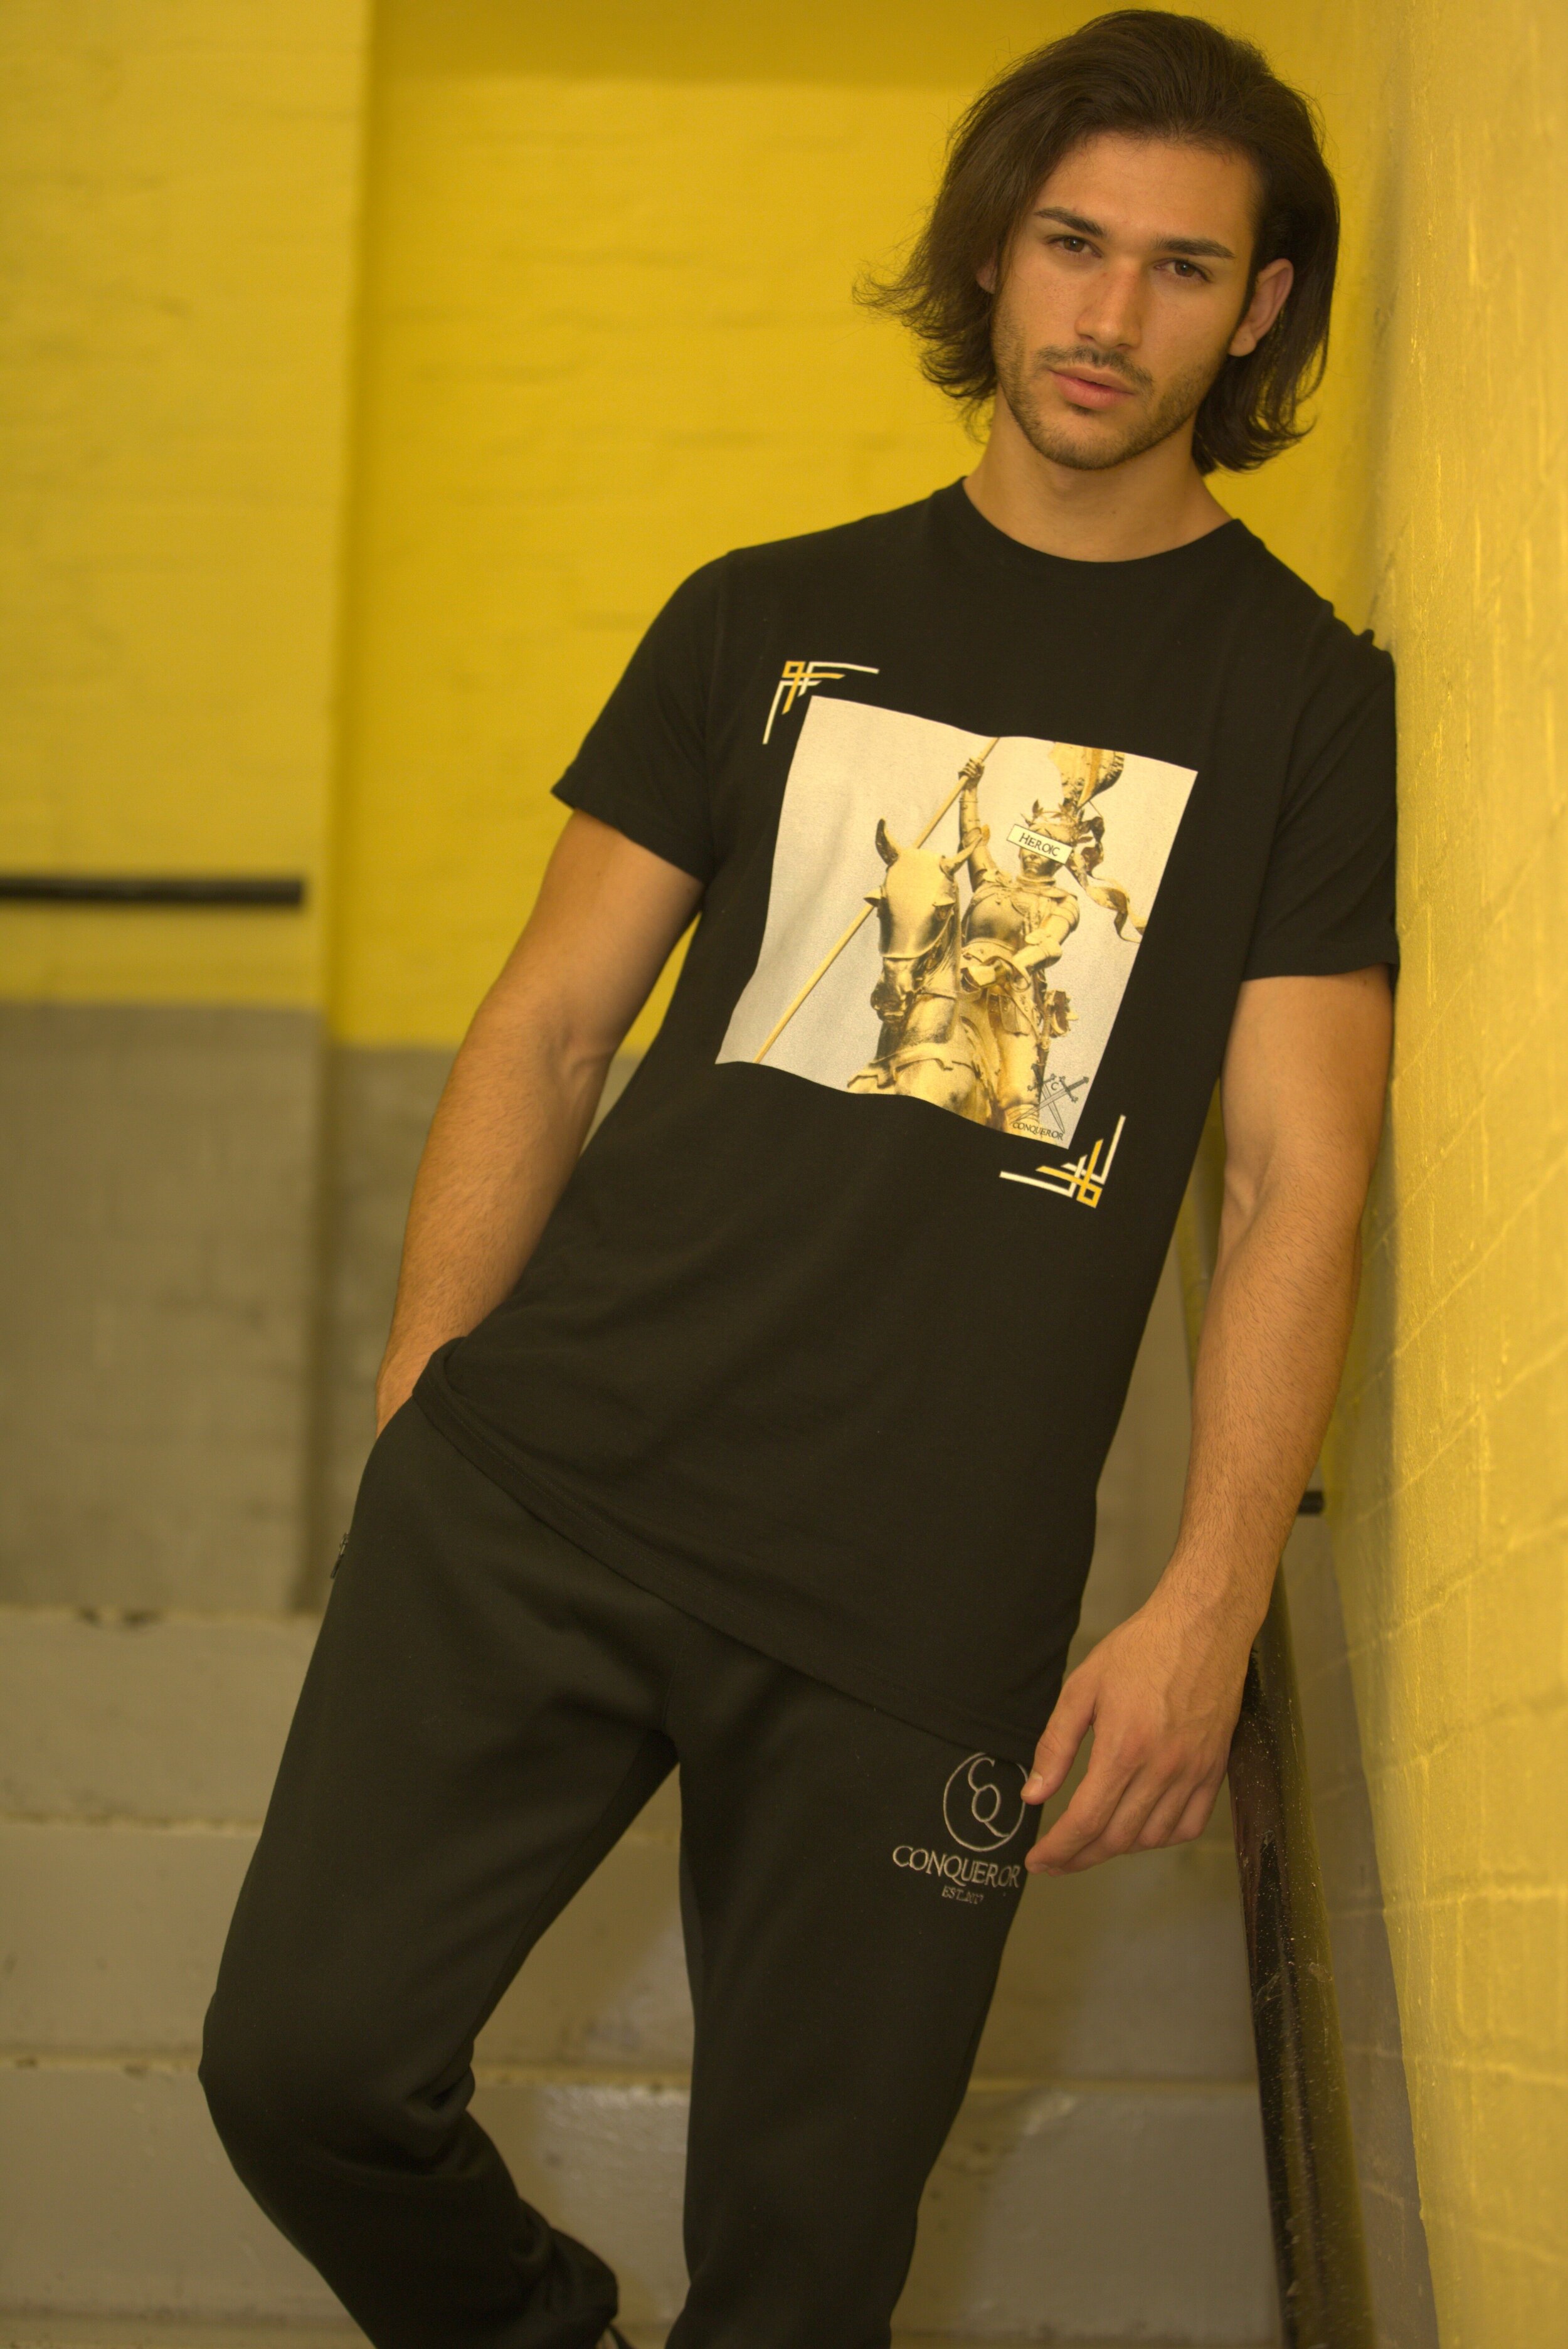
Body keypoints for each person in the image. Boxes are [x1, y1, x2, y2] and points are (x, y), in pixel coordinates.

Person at [201, 13, 1397, 2348]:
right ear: (992, 253)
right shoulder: (757, 611)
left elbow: (1292, 1175)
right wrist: (427, 1388)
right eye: (1069, 243)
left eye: (1178, 268)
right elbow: (549, 1024)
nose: (1106, 312)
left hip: (916, 1601)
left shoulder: (1298, 702)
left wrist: (1208, 1594)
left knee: (809, 2271)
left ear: (1256, 310)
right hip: (559, 1480)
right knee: (301, 2068)